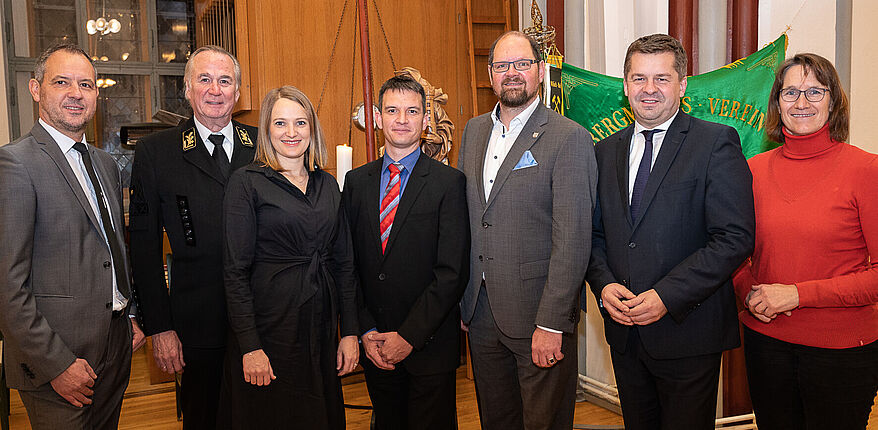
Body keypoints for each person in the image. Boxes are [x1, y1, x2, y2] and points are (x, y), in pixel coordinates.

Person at [585, 33, 755, 430]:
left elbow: (734, 238)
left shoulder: (715, 143)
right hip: (624, 332)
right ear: (625, 86)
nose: (649, 89)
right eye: (639, 78)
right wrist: (604, 285)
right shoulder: (604, 151)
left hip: (687, 331)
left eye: (661, 78)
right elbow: (594, 235)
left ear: (682, 84)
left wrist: (666, 295)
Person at [0, 43, 145, 429]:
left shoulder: (105, 164)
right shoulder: (14, 164)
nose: (76, 94)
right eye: (62, 82)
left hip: (114, 346)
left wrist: (126, 309)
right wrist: (56, 364)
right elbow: (7, 285)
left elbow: (110, 247)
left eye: (86, 84)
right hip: (58, 358)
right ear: (36, 89)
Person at [457, 31, 597, 430]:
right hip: (481, 313)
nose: (512, 74)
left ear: (541, 71)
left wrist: (552, 323)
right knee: (496, 420)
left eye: (522, 64)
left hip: (539, 315)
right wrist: (466, 298)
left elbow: (572, 239)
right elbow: (471, 219)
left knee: (544, 422)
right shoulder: (473, 132)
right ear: (490, 74)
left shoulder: (569, 138)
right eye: (502, 66)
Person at [734, 53, 878, 430]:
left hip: (842, 351)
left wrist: (797, 294)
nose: (802, 103)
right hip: (765, 342)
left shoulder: (866, 170)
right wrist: (749, 292)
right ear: (776, 102)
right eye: (791, 92)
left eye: (815, 91)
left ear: (834, 102)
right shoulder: (752, 171)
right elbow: (733, 253)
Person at [128, 45, 257, 429]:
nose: (215, 90)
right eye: (204, 79)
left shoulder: (266, 144)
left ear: (237, 92)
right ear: (187, 90)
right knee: (204, 418)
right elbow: (144, 247)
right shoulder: (157, 152)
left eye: (224, 81)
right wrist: (159, 327)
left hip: (264, 315)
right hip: (196, 324)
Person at [218, 85, 358, 428]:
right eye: (280, 123)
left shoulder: (328, 185)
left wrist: (350, 332)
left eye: (300, 123)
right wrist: (250, 346)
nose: (291, 133)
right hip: (269, 329)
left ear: (312, 128)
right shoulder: (247, 183)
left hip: (320, 327)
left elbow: (344, 265)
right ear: (267, 129)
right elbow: (234, 272)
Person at [343, 75, 470, 429]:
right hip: (376, 345)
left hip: (428, 346)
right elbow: (348, 264)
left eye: (412, 111)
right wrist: (365, 330)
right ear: (378, 118)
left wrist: (409, 336)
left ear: (426, 121)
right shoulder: (355, 183)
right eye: (393, 110)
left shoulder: (448, 183)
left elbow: (451, 273)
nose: (402, 119)